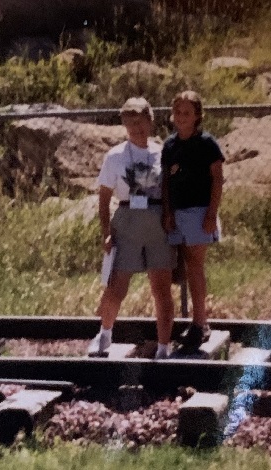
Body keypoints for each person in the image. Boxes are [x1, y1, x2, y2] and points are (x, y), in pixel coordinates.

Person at [89, 97, 176, 360]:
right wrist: (106, 231)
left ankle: (163, 347)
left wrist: (169, 217)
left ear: (150, 121)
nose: (136, 129)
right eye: (130, 125)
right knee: (117, 285)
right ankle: (104, 333)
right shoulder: (114, 156)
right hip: (127, 222)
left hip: (157, 221)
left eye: (140, 123)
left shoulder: (163, 152)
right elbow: (104, 198)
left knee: (161, 287)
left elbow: (169, 190)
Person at [162, 91, 224, 349]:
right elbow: (166, 181)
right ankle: (196, 322)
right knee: (185, 267)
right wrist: (168, 212)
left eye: (187, 112)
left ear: (197, 115)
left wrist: (211, 214)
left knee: (195, 267)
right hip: (178, 214)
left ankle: (200, 324)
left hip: (199, 213)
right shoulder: (170, 145)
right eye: (177, 112)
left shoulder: (207, 143)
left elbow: (218, 179)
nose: (181, 117)